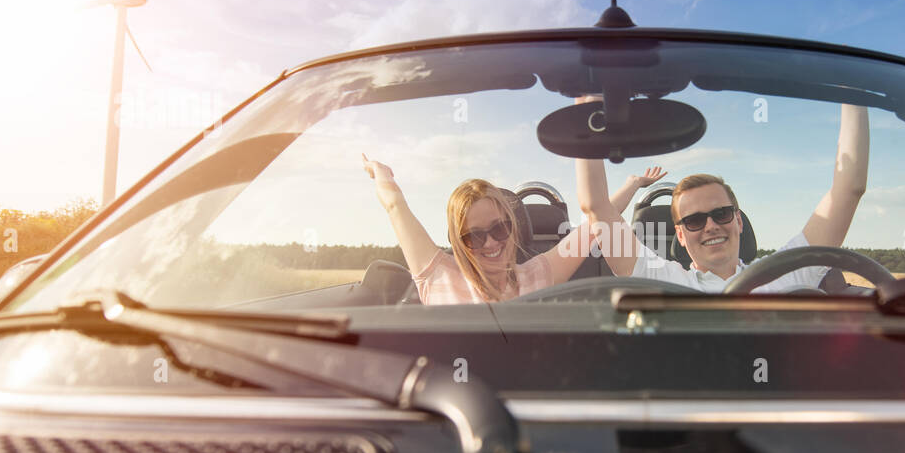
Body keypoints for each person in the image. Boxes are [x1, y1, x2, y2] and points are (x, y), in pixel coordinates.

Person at [575, 104, 869, 292]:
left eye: (721, 214)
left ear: (738, 220)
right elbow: (597, 208)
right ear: (679, 234)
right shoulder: (662, 280)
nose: (710, 226)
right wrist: (588, 107)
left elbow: (848, 189)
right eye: (694, 221)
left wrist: (852, 97)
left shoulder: (783, 276)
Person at [361, 153, 666, 304]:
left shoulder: (537, 274)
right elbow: (395, 207)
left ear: (513, 226)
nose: (490, 243)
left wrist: (632, 184)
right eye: (474, 236)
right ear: (457, 241)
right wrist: (382, 175)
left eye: (499, 228)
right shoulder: (437, 273)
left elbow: (595, 223)